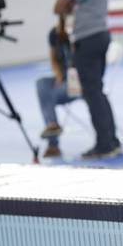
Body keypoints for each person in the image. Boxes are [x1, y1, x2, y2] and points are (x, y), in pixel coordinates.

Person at [53, 0, 121, 159]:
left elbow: (58, 6)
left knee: (91, 93)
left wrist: (71, 4)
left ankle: (105, 144)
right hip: (102, 33)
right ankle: (111, 139)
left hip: (87, 37)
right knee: (97, 91)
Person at [36, 27, 79, 158]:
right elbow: (55, 62)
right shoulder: (54, 37)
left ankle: (53, 144)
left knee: (48, 95)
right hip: (65, 82)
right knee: (42, 83)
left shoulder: (78, 38)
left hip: (79, 82)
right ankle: (51, 126)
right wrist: (59, 76)